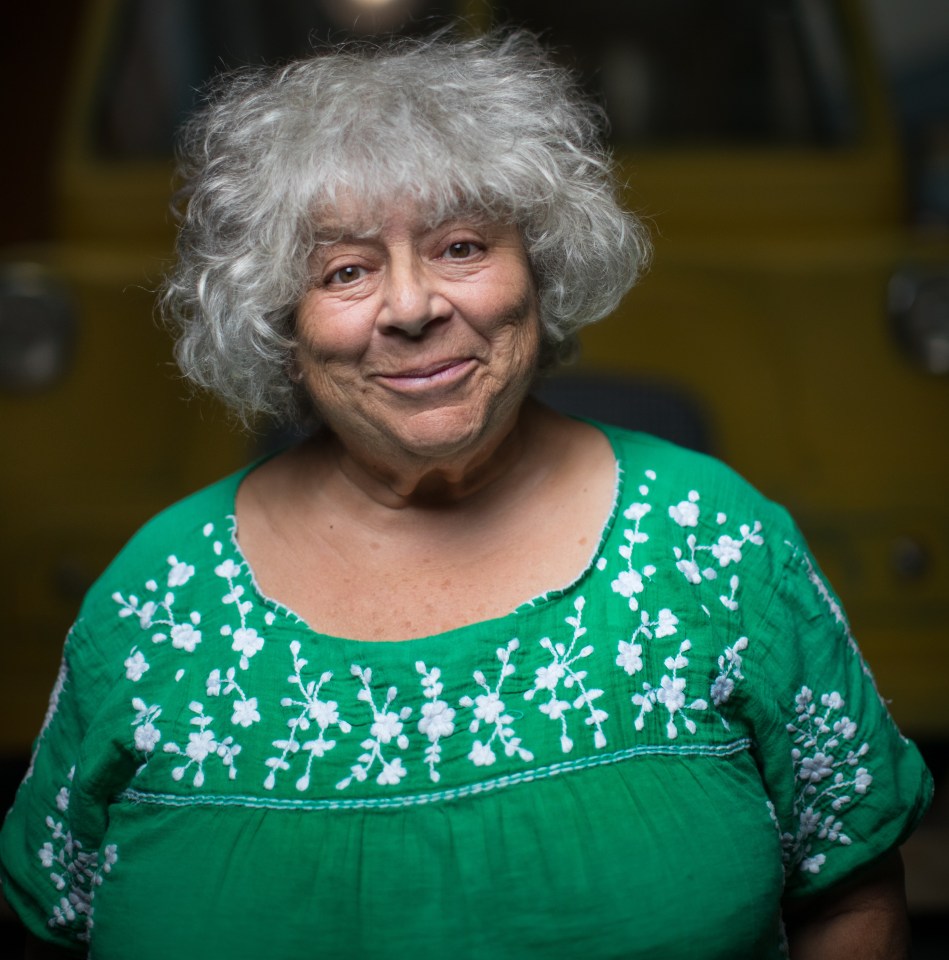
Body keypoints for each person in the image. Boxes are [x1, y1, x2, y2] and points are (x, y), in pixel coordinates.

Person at [0, 31, 932, 959]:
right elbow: (52, 923)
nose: (411, 308)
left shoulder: (715, 542)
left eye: (459, 245)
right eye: (346, 270)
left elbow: (850, 886)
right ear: (282, 323)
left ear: (540, 270)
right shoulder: (155, 598)